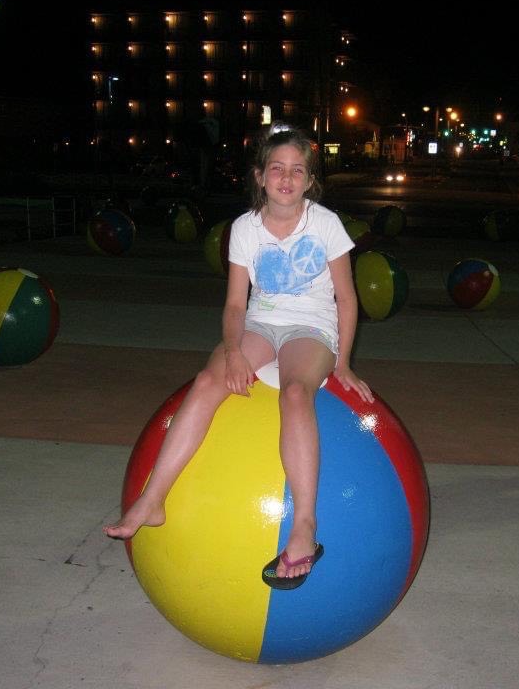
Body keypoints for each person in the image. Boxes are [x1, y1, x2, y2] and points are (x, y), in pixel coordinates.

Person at [105, 123, 374, 588]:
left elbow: (347, 299)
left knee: (294, 393)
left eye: (297, 171)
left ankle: (305, 524)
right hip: (259, 323)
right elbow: (235, 305)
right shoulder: (245, 229)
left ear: (309, 180)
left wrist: (344, 361)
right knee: (208, 381)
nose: (286, 179)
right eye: (277, 169)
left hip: (312, 326)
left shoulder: (326, 224)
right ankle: (153, 499)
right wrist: (232, 353)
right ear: (259, 176)